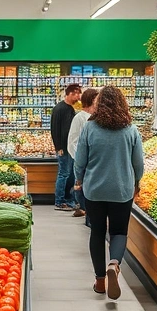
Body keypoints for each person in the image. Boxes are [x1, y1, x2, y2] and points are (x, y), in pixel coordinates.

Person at [74, 86, 144, 300]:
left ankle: (100, 281)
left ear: (99, 103)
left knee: (97, 232)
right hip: (122, 189)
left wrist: (79, 179)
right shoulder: (131, 129)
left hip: (94, 189)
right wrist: (137, 182)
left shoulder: (90, 127)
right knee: (119, 232)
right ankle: (114, 264)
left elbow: (80, 160)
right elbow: (138, 163)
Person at [67, 88, 99, 224]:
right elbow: (72, 142)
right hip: (84, 163)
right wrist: (80, 159)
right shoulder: (79, 118)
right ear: (92, 100)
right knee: (82, 190)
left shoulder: (97, 118)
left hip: (94, 163)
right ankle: (88, 216)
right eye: (97, 99)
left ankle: (89, 217)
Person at [50, 83, 82, 212]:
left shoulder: (71, 109)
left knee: (70, 174)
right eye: (76, 94)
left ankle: (69, 199)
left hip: (70, 147)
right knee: (63, 174)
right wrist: (58, 147)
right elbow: (54, 129)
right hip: (63, 148)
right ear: (69, 94)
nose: (78, 97)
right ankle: (59, 201)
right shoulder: (59, 109)